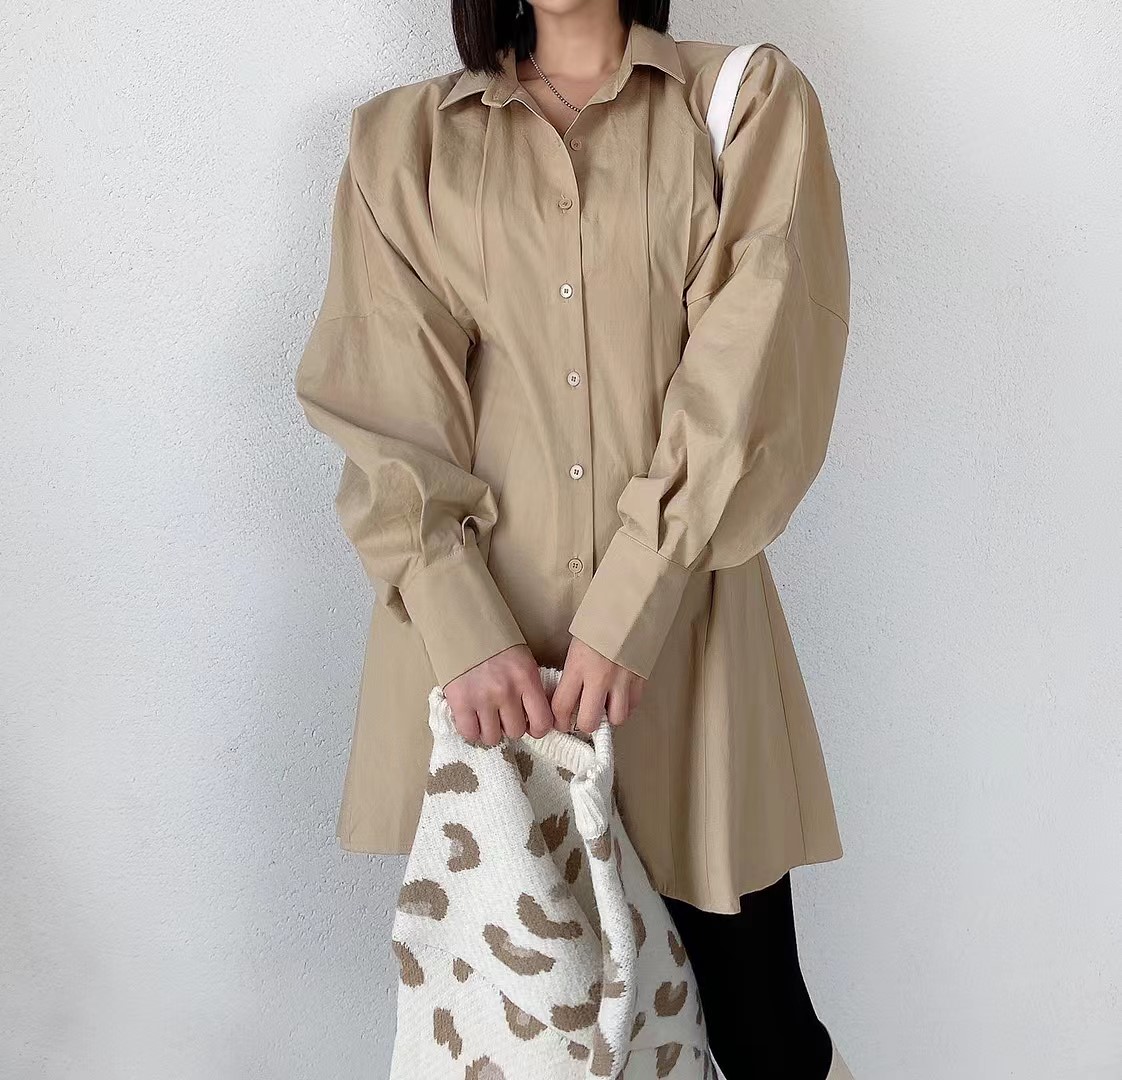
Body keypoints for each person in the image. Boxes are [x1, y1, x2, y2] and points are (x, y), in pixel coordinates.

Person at [294, 1, 853, 1076]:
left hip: (685, 648)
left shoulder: (740, 104)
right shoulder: (403, 144)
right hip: (481, 675)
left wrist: (631, 603)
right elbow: (385, 410)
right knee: (529, 1033)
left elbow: (749, 372)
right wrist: (463, 625)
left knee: (764, 1034)